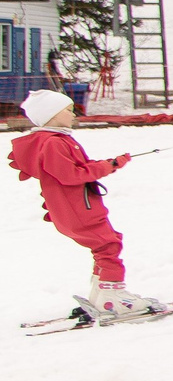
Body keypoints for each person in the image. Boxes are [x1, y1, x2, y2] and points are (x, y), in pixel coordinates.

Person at [8, 87, 150, 316]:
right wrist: (109, 166)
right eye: (68, 110)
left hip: (76, 207)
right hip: (77, 209)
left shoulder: (57, 140)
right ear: (51, 115)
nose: (74, 114)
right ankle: (112, 297)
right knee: (108, 245)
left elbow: (78, 168)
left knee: (106, 244)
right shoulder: (52, 143)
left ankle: (102, 294)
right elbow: (71, 175)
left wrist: (109, 163)